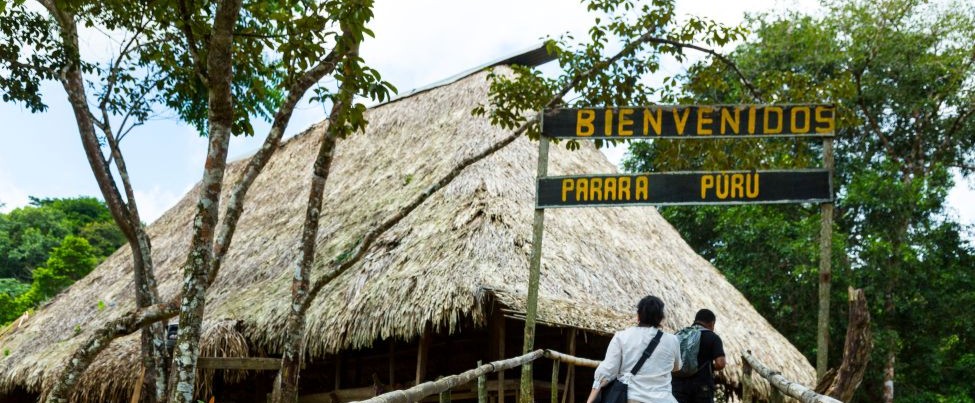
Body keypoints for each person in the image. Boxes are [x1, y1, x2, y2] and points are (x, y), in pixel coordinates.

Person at [587, 296, 682, 403]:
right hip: (664, 399)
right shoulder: (673, 340)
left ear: (638, 315)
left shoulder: (622, 337)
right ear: (661, 318)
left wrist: (590, 399)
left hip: (632, 398)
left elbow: (607, 372)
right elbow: (676, 367)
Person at [672, 309, 726, 403]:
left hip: (678, 385)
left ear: (695, 320)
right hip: (702, 387)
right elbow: (720, 363)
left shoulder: (679, 335)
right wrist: (710, 367)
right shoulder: (713, 337)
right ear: (712, 323)